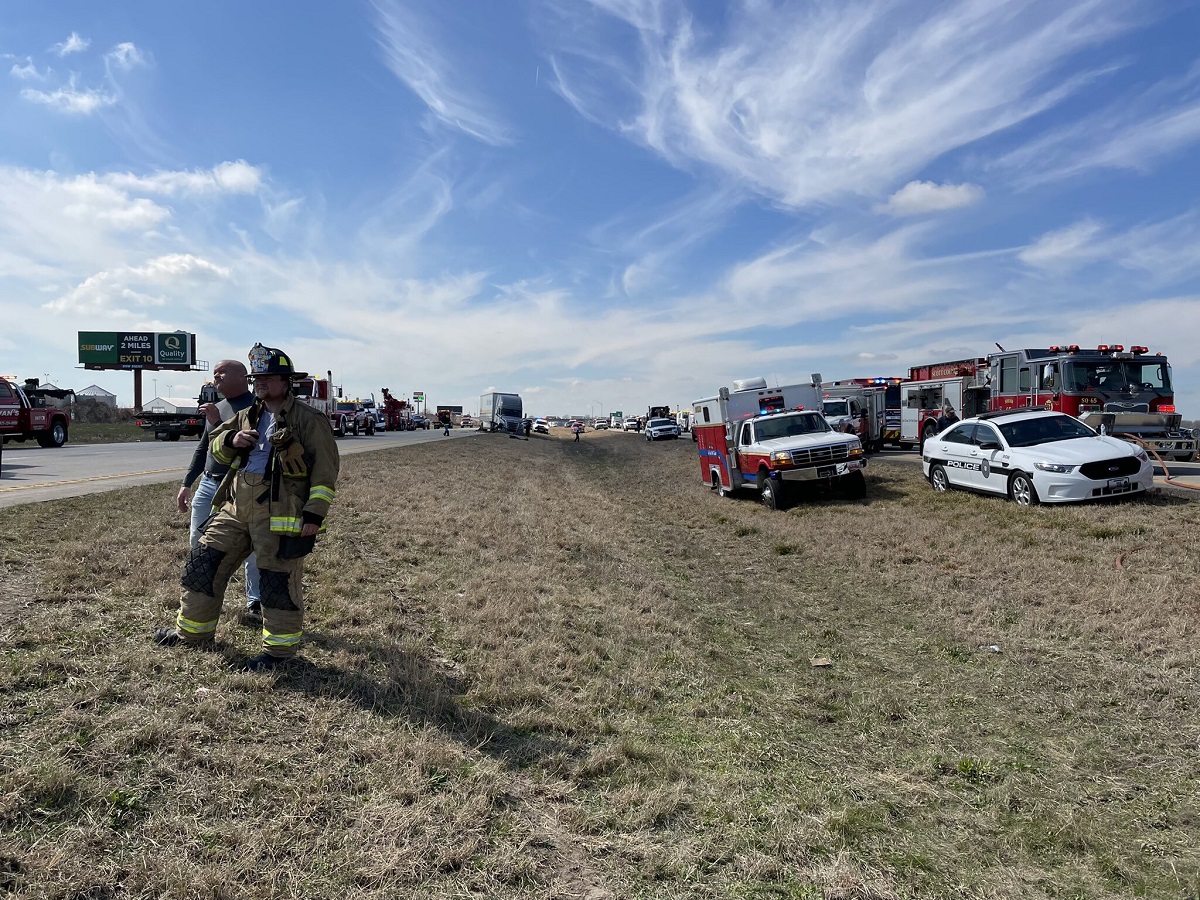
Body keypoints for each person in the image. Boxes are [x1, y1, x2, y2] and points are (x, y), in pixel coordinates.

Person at [154, 343, 340, 672]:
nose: (262, 383)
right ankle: (192, 634)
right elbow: (216, 448)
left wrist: (313, 515)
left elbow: (325, 473)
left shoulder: (310, 420)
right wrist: (231, 440)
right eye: (258, 378)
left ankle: (278, 654)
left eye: (269, 377)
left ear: (287, 382)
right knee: (204, 563)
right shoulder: (246, 415)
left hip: (280, 510)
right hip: (235, 504)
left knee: (276, 581)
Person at [176, 360, 260, 620]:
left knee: (251, 548)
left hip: (238, 486)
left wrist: (215, 421)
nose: (216, 378)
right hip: (208, 484)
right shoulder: (219, 407)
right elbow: (204, 448)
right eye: (214, 374)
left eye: (221, 372)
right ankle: (201, 594)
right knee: (197, 541)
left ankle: (255, 602)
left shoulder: (256, 407)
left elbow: (243, 444)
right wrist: (187, 483)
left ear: (242, 376)